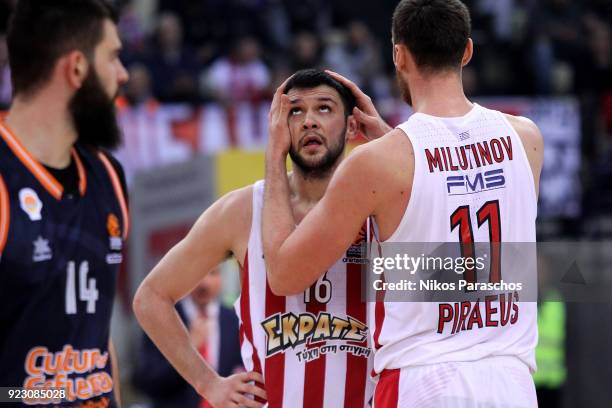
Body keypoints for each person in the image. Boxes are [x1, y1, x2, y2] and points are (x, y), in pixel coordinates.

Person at [262, 1, 544, 407]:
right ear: (466, 51)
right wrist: (391, 142)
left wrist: (274, 157)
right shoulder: (526, 138)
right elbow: (462, 208)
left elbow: (285, 274)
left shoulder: (379, 164)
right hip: (511, 380)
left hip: (423, 379)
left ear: (399, 55)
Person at [133, 69, 390, 408]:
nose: (309, 121)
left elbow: (465, 277)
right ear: (278, 126)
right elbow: (150, 297)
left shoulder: (382, 207)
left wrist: (390, 140)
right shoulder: (242, 210)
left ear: (353, 126)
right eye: (295, 111)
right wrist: (208, 384)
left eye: (324, 108)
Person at [0, 0, 129, 406]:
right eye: (112, 57)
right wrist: (51, 394)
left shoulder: (108, 175)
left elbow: (98, 341)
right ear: (76, 68)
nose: (123, 74)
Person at [134, 267, 244, 408]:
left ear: (221, 278)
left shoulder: (235, 320)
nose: (205, 283)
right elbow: (147, 380)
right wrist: (187, 349)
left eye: (212, 273)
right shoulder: (161, 318)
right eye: (198, 274)